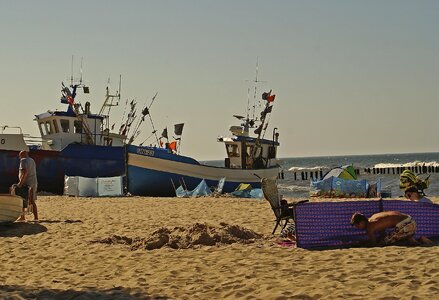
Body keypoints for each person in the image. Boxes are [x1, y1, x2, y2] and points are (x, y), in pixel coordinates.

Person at [350, 211, 420, 246]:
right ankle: (411, 238)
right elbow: (384, 230)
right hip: (411, 221)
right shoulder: (374, 217)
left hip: (406, 225)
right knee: (389, 238)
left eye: (357, 225)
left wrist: (361, 244)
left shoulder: (370, 227)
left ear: (362, 222)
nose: (357, 228)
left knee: (385, 242)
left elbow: (374, 244)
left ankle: (412, 239)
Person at [15, 150, 38, 221]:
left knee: (21, 199)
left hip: (26, 183)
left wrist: (20, 183)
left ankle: (23, 216)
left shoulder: (23, 160)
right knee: (32, 200)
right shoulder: (32, 160)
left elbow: (25, 173)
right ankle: (35, 217)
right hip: (33, 182)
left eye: (20, 155)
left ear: (22, 155)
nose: (19, 157)